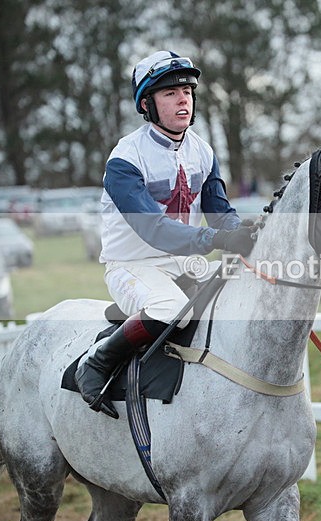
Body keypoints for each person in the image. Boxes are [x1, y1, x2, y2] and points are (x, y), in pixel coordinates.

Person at [75, 50, 256, 418]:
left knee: (245, 290)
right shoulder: (125, 158)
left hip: (181, 262)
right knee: (171, 309)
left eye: (188, 91)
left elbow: (220, 213)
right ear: (147, 104)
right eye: (170, 93)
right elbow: (152, 229)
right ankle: (94, 363)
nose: (183, 99)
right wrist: (216, 240)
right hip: (131, 265)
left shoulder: (203, 152)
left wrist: (246, 232)